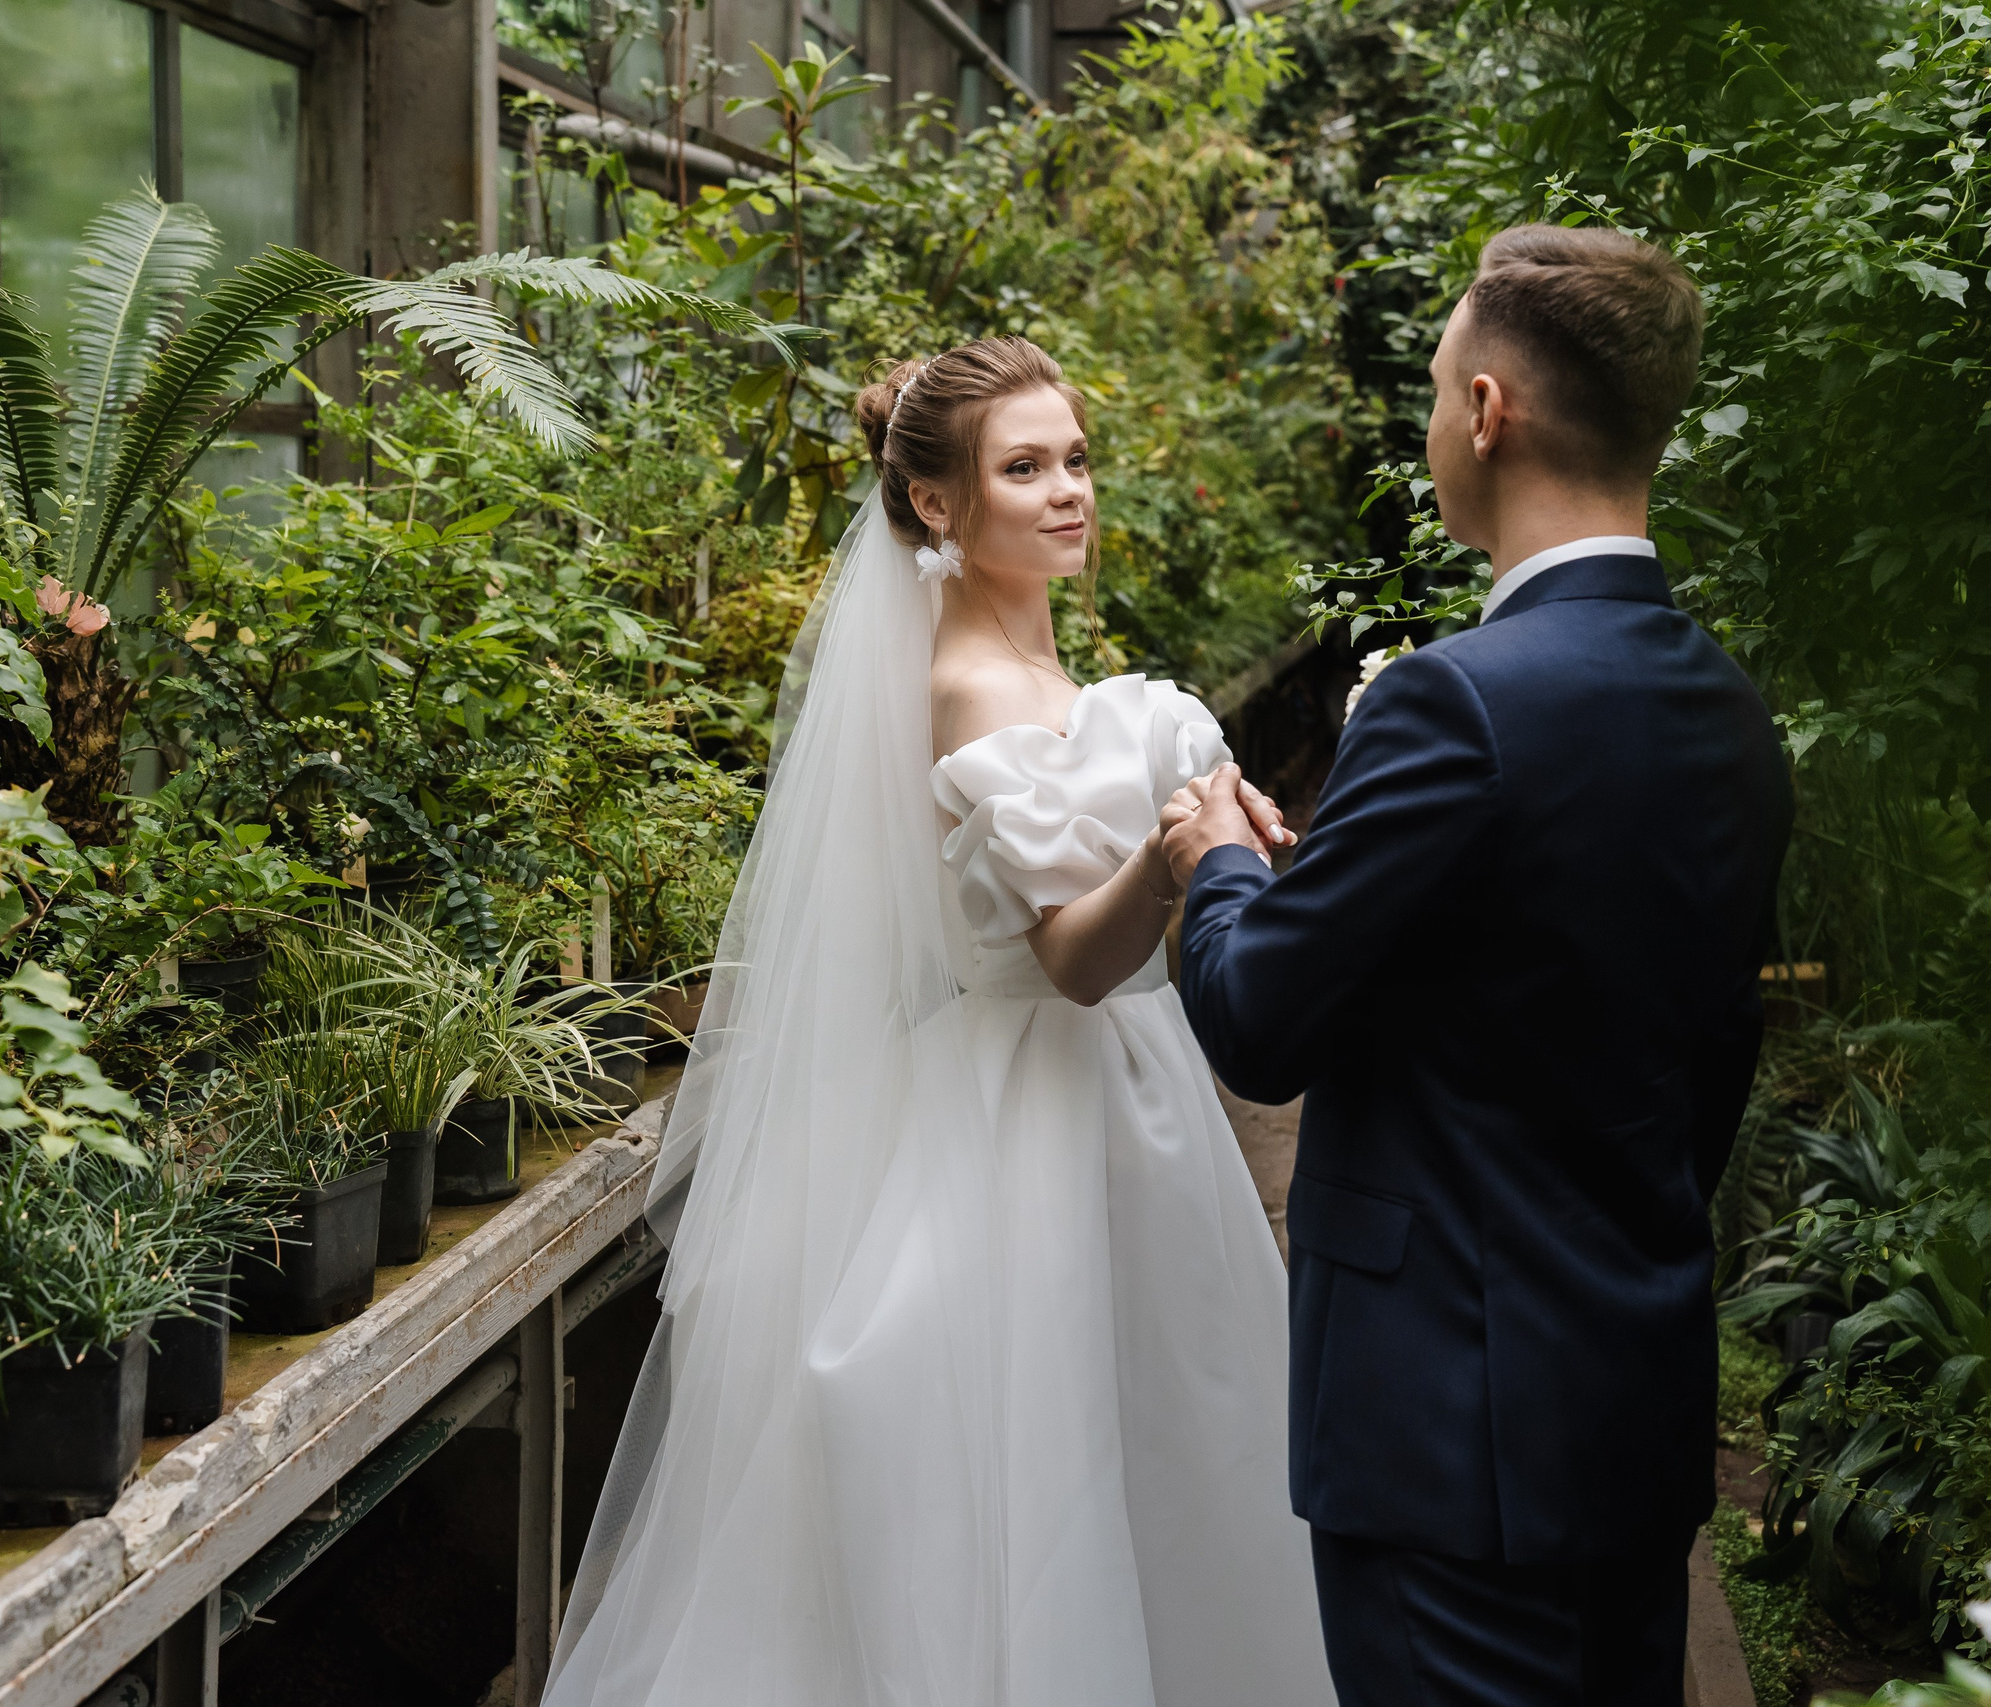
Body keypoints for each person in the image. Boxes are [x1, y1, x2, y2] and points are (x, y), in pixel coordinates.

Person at [543, 336, 1335, 1706]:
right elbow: (1077, 965)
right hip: (1031, 1103)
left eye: (1075, 460)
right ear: (936, 505)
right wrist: (1175, 855)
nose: (1068, 492)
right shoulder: (965, 687)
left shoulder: (1058, 685)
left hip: (1132, 1103)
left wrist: (1234, 841)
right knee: (1052, 1457)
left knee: (1162, 1430)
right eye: (1024, 468)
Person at [1165, 224, 1794, 1706]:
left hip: (1443, 1426)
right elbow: (1698, 1059)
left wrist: (1223, 868)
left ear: (1490, 412)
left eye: (1442, 385)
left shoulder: (1452, 700)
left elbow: (1260, 1020)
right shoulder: (1731, 711)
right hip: (1632, 1402)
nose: (1439, 415)